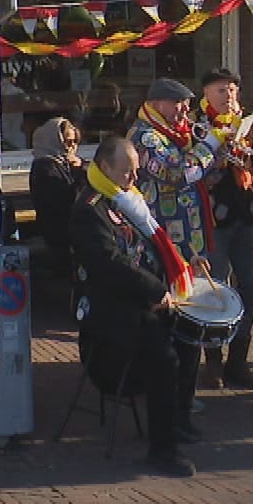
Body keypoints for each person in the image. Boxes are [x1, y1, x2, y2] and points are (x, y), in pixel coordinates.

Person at [69, 135, 201, 477]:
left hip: (137, 297)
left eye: (136, 170)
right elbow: (110, 264)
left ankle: (177, 419)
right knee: (164, 356)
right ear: (105, 167)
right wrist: (155, 291)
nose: (135, 177)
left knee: (190, 334)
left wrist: (182, 266)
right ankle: (162, 449)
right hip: (110, 310)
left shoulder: (127, 199)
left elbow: (150, 249)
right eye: (127, 171)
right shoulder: (90, 208)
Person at [127, 77, 223, 393]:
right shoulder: (146, 136)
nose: (185, 110)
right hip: (163, 243)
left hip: (187, 242)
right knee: (169, 322)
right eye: (178, 103)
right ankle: (169, 394)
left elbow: (196, 173)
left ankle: (184, 392)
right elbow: (179, 173)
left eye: (187, 104)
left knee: (189, 319)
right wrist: (211, 145)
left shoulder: (177, 134)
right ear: (157, 103)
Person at [200, 68, 253, 390]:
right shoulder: (198, 128)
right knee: (215, 290)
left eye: (232, 90)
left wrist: (252, 160)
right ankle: (213, 359)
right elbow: (191, 173)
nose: (228, 97)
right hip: (215, 223)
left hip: (246, 220)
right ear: (206, 95)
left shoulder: (248, 125)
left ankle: (238, 359)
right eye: (221, 91)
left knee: (252, 287)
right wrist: (216, 159)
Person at [29, 117, 84, 275]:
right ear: (57, 141)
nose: (72, 147)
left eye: (75, 142)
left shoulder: (63, 163)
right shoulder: (45, 167)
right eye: (68, 142)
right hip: (58, 235)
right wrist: (78, 172)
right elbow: (66, 199)